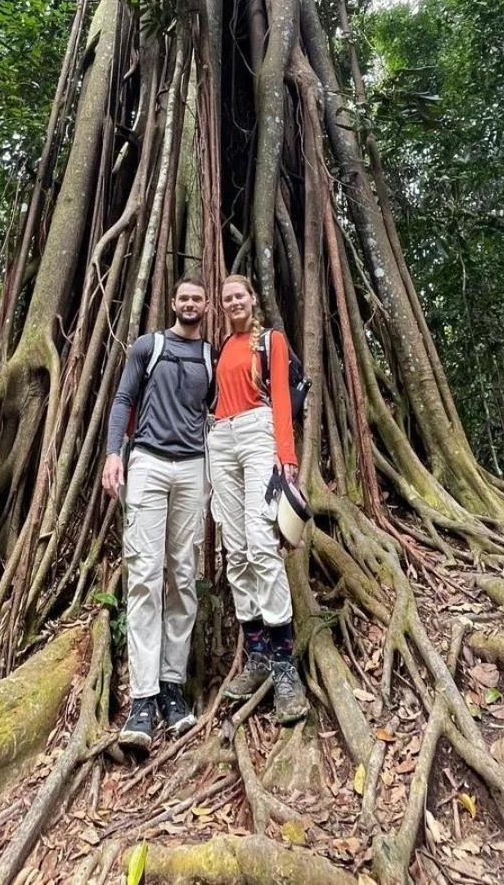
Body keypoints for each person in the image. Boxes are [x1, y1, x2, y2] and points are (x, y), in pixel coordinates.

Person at [102, 275, 213, 752]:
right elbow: (124, 398)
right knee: (145, 575)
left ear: (206, 305)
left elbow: (219, 411)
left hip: (193, 469)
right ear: (174, 303)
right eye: (183, 298)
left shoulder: (211, 354)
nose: (189, 304)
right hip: (146, 461)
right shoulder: (149, 345)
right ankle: (142, 698)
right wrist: (113, 454)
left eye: (196, 298)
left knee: (183, 576)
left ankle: (172, 688)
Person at [208, 274, 309, 725]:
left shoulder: (270, 341)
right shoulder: (219, 348)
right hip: (221, 439)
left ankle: (286, 666)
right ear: (222, 305)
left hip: (257, 432)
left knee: (261, 546)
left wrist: (287, 457)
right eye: (227, 298)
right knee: (235, 550)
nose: (233, 303)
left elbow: (283, 403)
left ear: (252, 300)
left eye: (239, 296)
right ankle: (257, 656)